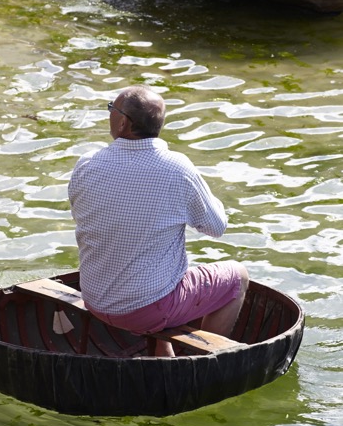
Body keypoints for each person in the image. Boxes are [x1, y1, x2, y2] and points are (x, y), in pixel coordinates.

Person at [68, 85, 249, 356]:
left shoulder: (87, 163)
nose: (109, 115)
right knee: (238, 276)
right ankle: (201, 363)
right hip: (145, 308)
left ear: (122, 123)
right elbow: (216, 227)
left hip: (94, 299)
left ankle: (167, 355)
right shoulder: (177, 168)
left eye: (111, 109)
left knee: (155, 271)